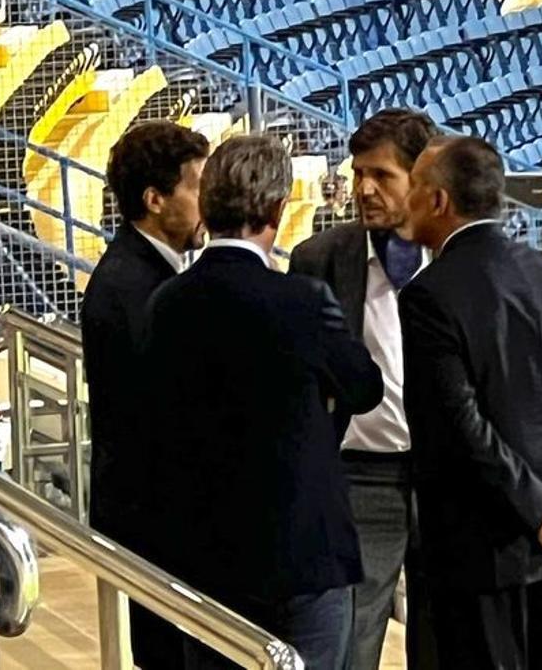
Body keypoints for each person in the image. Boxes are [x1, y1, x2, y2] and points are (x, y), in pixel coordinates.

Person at [143, 135, 383, 669]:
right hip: (303, 548)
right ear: (277, 209)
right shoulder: (300, 298)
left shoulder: (165, 303)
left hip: (204, 549)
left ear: (207, 205)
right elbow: (364, 387)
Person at [397, 136, 542, 669]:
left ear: (438, 201)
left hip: (482, 550)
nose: (407, 203)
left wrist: (538, 508)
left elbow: (459, 426)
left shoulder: (429, 295)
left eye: (414, 189)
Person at [289, 108, 439, 670]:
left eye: (381, 175)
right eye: (357, 174)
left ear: (419, 179)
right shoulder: (320, 259)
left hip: (445, 476)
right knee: (353, 639)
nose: (364, 189)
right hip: (359, 476)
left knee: (448, 635)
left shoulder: (456, 256)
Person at [81, 120, 208, 669]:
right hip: (159, 519)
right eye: (198, 187)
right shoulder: (130, 287)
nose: (211, 200)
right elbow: (160, 413)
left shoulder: (156, 272)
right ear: (156, 200)